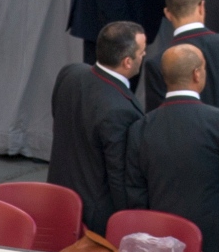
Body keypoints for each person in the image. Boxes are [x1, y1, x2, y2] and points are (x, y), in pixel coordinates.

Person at [124, 43, 219, 252]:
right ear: (197, 74)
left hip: (161, 246)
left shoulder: (141, 128)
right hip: (218, 247)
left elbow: (136, 193)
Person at [48, 21, 147, 235]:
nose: (144, 55)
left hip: (57, 196)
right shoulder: (120, 110)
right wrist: (130, 222)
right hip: (93, 218)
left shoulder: (70, 74)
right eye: (142, 52)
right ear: (127, 61)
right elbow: (118, 174)